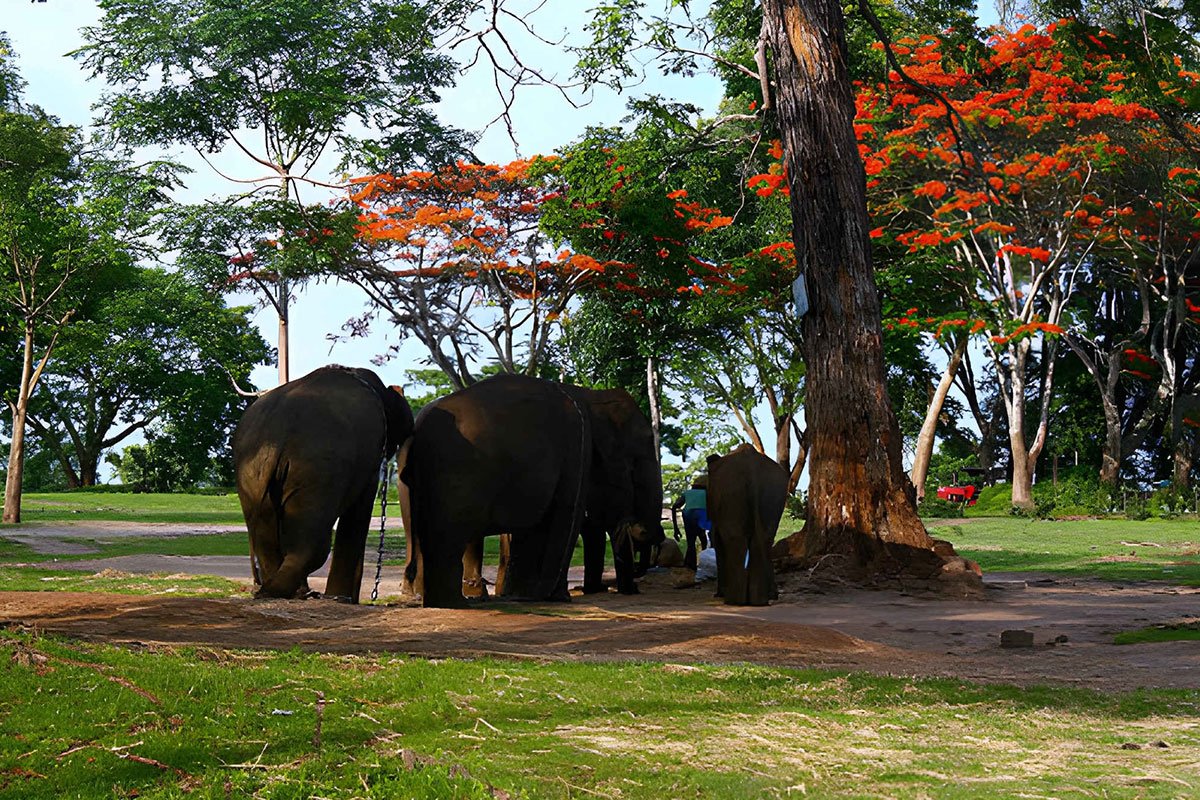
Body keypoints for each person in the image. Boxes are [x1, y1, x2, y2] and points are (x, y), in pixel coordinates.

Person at [671, 477, 710, 570]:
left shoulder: (687, 493)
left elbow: (674, 507)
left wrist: (676, 528)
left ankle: (691, 567)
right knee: (703, 539)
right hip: (701, 514)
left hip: (688, 515)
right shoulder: (707, 493)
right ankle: (704, 563)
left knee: (691, 543)